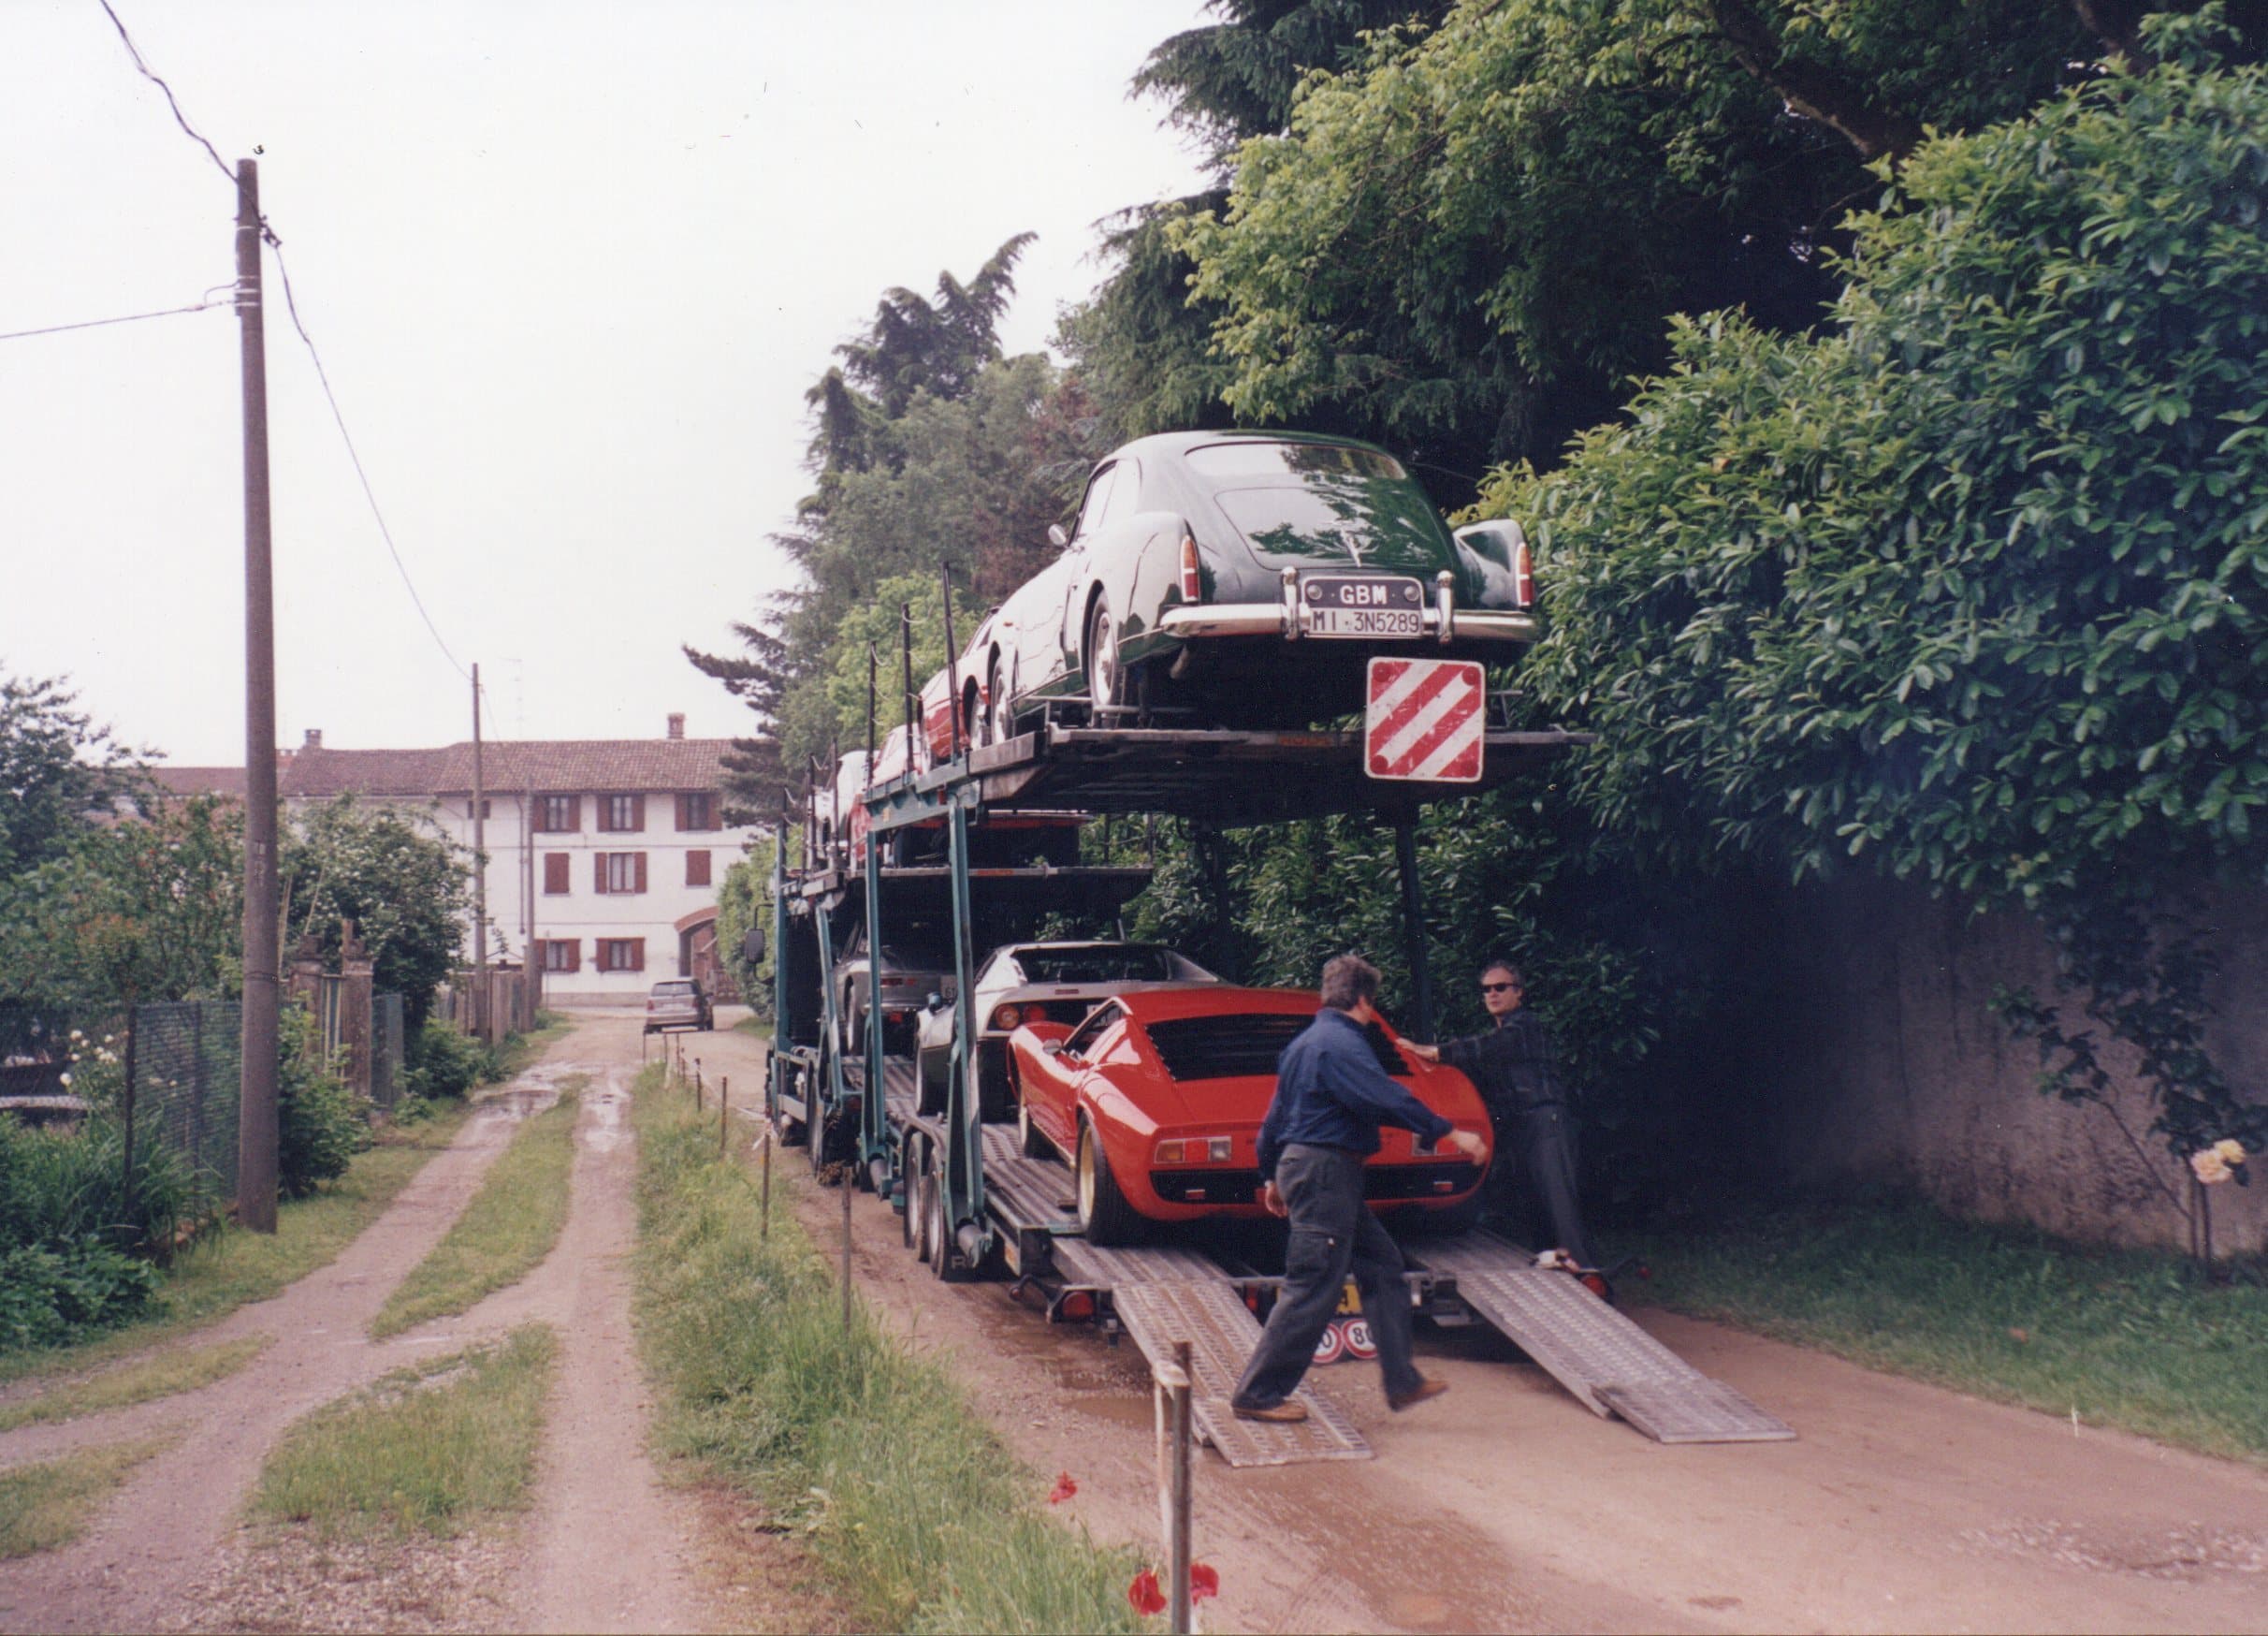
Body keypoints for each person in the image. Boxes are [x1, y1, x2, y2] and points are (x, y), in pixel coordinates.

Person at [1230, 954, 1489, 1424]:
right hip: (1326, 1172)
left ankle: (1402, 1381)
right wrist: (1451, 1132)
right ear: (1365, 1000)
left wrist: (1271, 1174)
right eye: (1373, 1004)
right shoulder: (1342, 1044)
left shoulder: (1304, 1044)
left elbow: (1274, 1119)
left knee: (1383, 1264)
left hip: (1317, 1172)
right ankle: (1258, 1395)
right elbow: (1386, 1096)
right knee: (1313, 1285)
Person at [1409, 960, 1597, 1269]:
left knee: (1560, 1208)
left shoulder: (1524, 1028)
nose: (1492, 994)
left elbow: (1489, 1047)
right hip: (1520, 1127)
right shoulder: (1499, 1039)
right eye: (1486, 989)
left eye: (1500, 987)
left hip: (1544, 1121)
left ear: (1519, 993)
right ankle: (1561, 1277)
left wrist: (1437, 1052)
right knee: (1536, 1209)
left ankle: (1591, 1281)